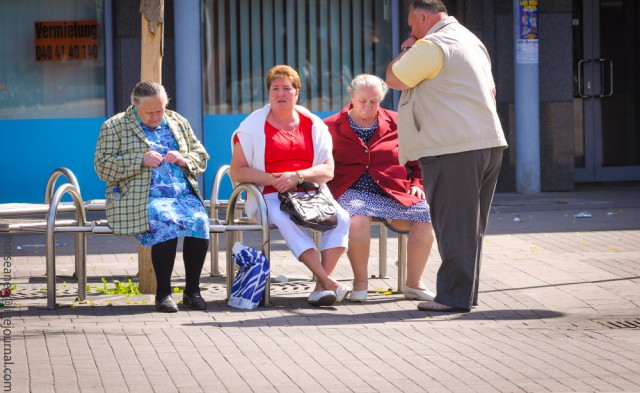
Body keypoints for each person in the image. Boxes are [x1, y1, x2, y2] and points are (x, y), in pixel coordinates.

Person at [385, 0, 508, 312]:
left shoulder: (431, 45)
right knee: (471, 227)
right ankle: (465, 294)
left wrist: (407, 48)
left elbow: (394, 77)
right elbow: (491, 89)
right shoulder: (471, 40)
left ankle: (453, 298)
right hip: (487, 143)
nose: (412, 31)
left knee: (454, 226)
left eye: (413, 25)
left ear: (423, 18)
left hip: (454, 148)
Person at [230, 64, 351, 307]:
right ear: (268, 93)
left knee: (343, 218)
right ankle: (329, 281)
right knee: (286, 219)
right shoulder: (253, 126)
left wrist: (297, 176)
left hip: (310, 193)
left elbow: (328, 171)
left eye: (287, 88)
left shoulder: (314, 125)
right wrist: (275, 179)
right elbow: (238, 170)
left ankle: (321, 287)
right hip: (269, 194)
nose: (280, 94)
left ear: (297, 93)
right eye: (275, 88)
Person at [94, 81, 210, 313]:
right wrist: (140, 160)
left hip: (182, 194)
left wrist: (183, 158)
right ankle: (163, 293)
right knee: (164, 218)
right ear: (134, 105)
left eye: (160, 110)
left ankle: (192, 291)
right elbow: (102, 166)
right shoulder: (115, 126)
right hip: (141, 197)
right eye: (149, 112)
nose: (156, 116)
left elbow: (202, 156)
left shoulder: (177, 121)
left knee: (200, 220)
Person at [324, 74, 436, 302]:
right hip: (350, 189)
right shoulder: (330, 126)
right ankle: (360, 283)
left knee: (426, 216)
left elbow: (417, 161)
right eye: (363, 101)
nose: (368, 106)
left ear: (381, 100)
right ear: (351, 97)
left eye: (374, 102)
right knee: (357, 219)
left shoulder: (397, 122)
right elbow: (321, 163)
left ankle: (414, 283)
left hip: (391, 189)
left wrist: (417, 185)